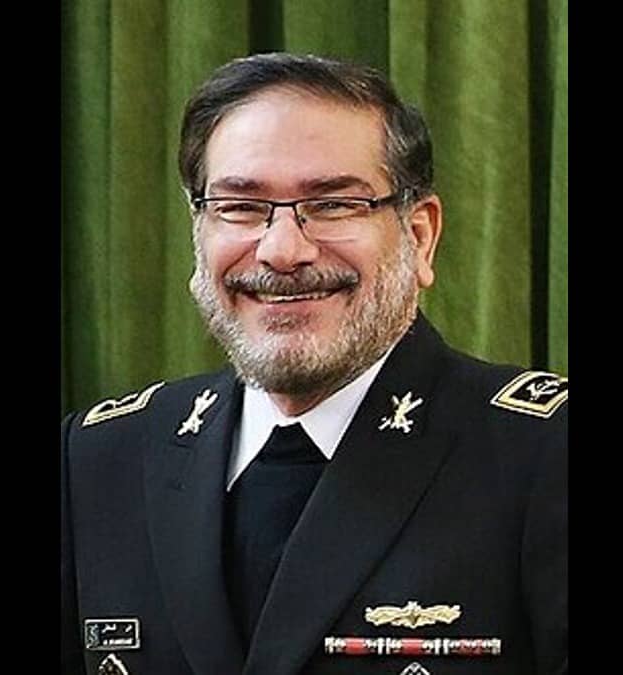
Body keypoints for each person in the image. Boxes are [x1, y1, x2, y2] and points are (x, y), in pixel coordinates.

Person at [61, 52, 567, 675]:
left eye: (333, 204)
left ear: (419, 237)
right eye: (240, 206)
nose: (281, 251)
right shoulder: (96, 461)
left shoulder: (545, 456)